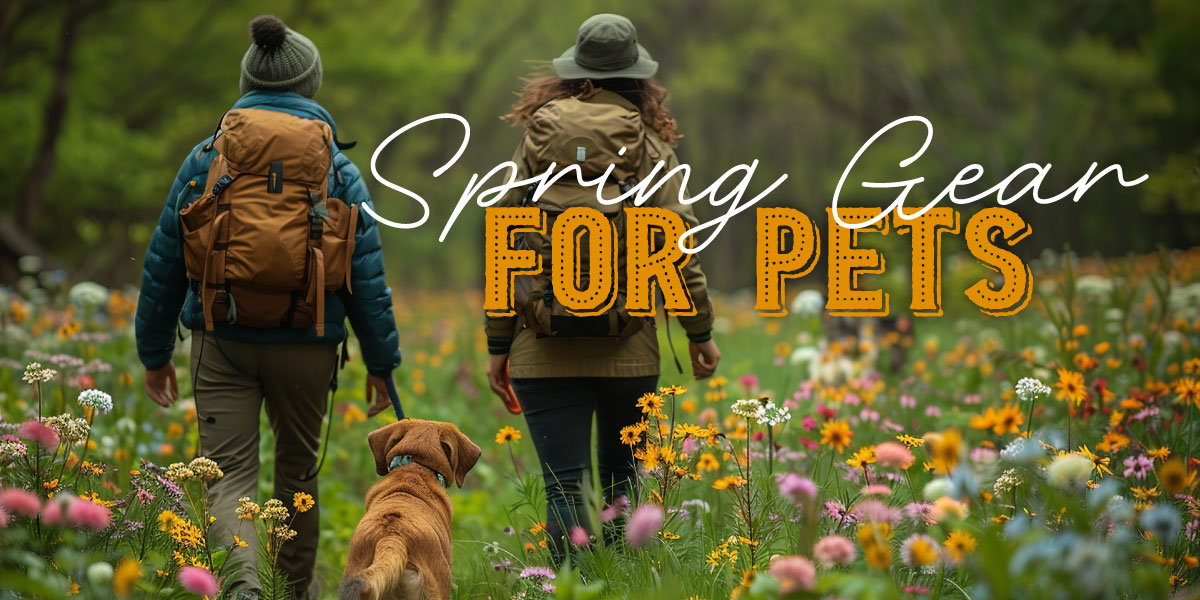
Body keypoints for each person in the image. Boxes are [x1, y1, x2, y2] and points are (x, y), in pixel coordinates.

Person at [134, 15, 400, 598]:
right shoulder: (338, 169)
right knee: (298, 475)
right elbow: (366, 277)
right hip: (309, 342)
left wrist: (154, 353)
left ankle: (243, 591)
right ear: (311, 84)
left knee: (227, 477)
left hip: (221, 338)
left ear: (247, 81)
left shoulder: (207, 158)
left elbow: (164, 260)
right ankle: (293, 591)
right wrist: (382, 363)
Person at [484, 13, 721, 556]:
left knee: (563, 489)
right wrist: (699, 332)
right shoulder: (652, 150)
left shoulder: (534, 143)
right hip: (629, 349)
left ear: (574, 73)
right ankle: (620, 583)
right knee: (621, 485)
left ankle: (568, 587)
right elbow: (678, 249)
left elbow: (502, 241)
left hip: (541, 347)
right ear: (639, 78)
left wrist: (499, 343)